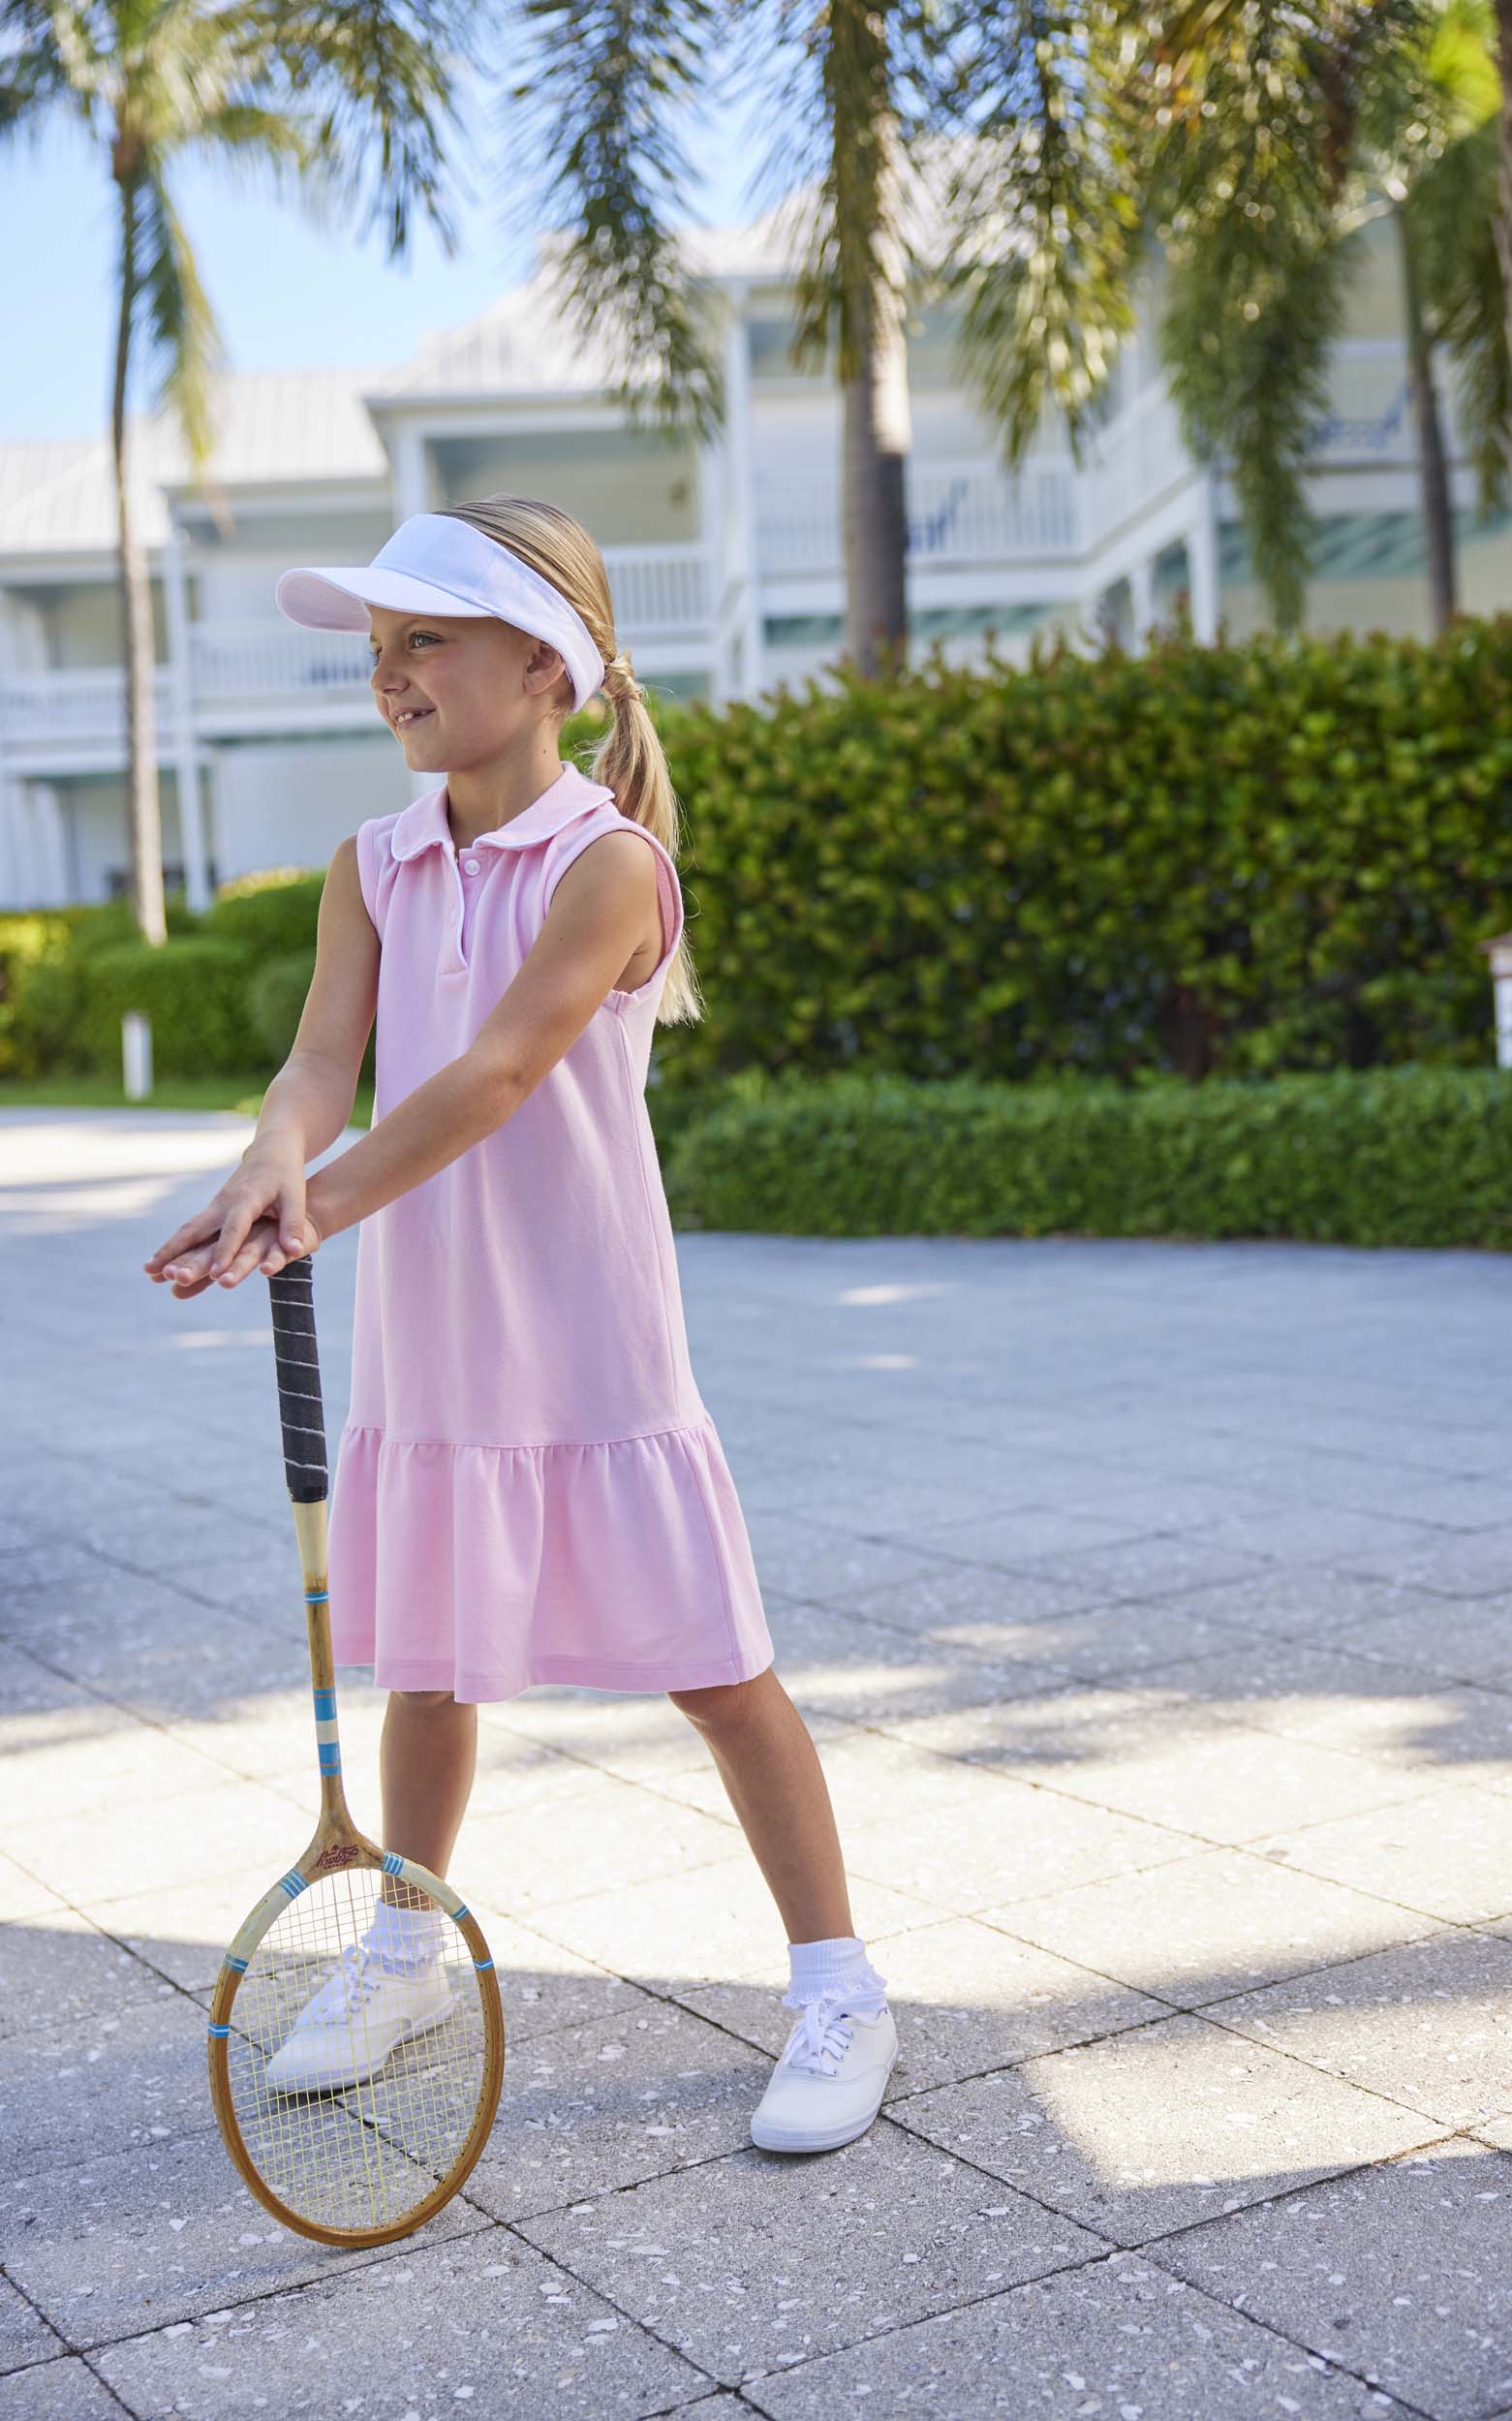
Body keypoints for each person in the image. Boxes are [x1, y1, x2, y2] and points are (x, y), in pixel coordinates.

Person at [141, 496, 898, 2154]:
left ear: (545, 666)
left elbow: (493, 1073)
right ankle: (408, 1946)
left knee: (719, 1669)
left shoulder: (611, 864)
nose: (389, 674)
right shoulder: (369, 862)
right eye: (377, 648)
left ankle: (839, 1983)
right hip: (436, 1334)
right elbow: (320, 1062)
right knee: (429, 1660)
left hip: (589, 1332)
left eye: (425, 639)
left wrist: (318, 1206)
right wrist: (273, 1158)